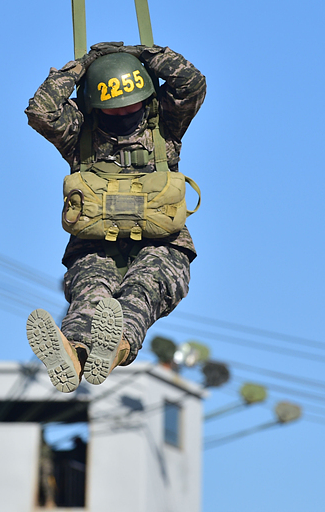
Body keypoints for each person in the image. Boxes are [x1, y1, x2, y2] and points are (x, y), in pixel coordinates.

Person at [25, 42, 206, 392]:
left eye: (131, 106)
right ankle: (74, 355)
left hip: (163, 247)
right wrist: (81, 66)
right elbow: (42, 112)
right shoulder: (80, 133)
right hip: (95, 248)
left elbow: (191, 84)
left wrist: (147, 55)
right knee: (89, 298)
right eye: (112, 110)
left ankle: (116, 347)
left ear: (147, 98)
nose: (123, 115)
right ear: (95, 105)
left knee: (142, 290)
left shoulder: (164, 125)